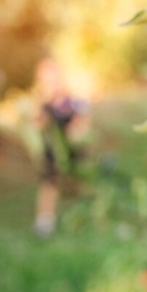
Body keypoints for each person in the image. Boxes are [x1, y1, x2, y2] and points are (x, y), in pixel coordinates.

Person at [32, 59, 89, 236]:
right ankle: (45, 219)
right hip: (53, 149)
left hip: (72, 147)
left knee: (79, 179)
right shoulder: (43, 104)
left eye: (53, 80)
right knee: (50, 182)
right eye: (46, 81)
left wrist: (76, 131)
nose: (50, 84)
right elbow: (37, 126)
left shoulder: (73, 101)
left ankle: (83, 213)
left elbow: (83, 123)